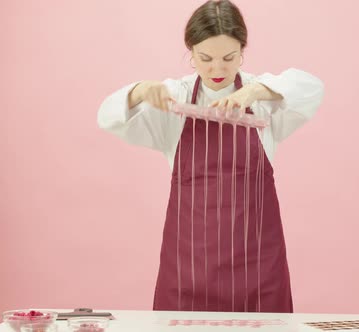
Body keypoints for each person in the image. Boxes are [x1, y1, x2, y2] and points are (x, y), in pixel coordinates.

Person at [97, 0, 324, 313]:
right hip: (189, 270)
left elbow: (312, 88)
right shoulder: (174, 98)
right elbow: (107, 116)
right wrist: (138, 91)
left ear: (243, 51)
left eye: (229, 58)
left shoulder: (263, 98)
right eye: (205, 58)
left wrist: (255, 92)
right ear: (190, 52)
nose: (217, 69)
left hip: (257, 268)